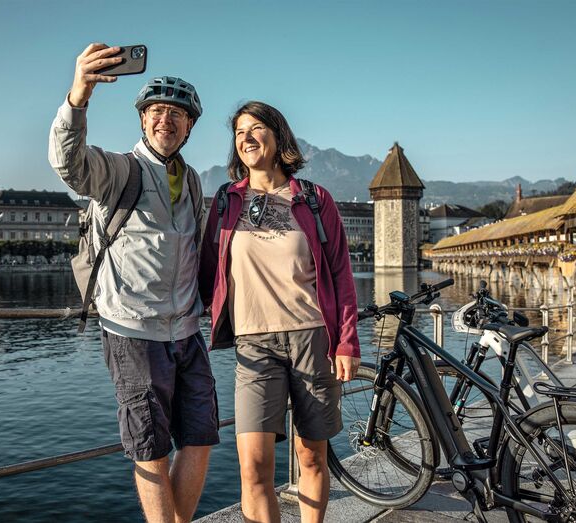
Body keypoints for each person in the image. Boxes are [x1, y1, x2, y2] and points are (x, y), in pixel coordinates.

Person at [48, 43, 218, 523]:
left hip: (187, 332)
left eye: (177, 114)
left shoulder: (193, 181)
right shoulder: (121, 169)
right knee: (150, 449)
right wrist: (79, 93)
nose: (166, 120)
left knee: (202, 437)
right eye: (157, 112)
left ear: (190, 126)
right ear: (143, 121)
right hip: (133, 330)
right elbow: (69, 162)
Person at [199, 101, 360, 523]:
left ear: (278, 136)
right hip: (253, 345)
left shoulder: (312, 198)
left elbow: (341, 274)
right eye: (239, 132)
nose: (247, 137)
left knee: (311, 458)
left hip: (312, 338)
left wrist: (346, 342)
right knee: (253, 467)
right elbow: (203, 268)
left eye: (256, 129)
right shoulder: (225, 201)